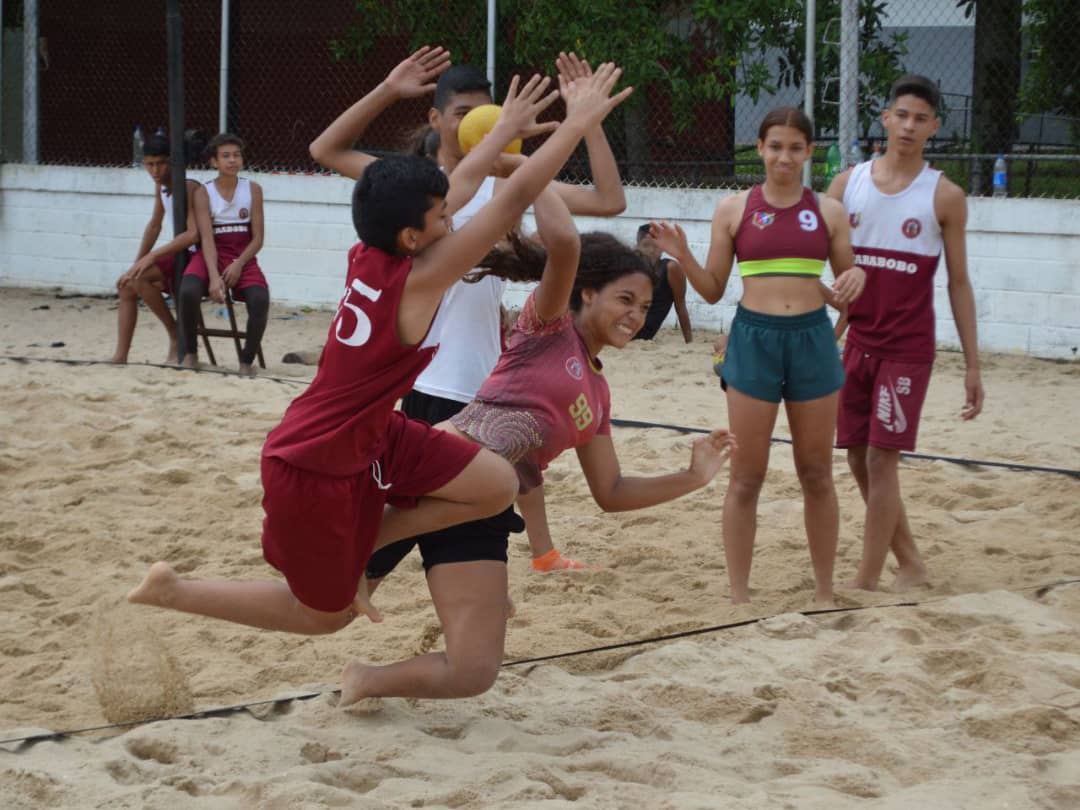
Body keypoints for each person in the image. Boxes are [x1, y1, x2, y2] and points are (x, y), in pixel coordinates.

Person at [128, 60, 635, 704]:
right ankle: (174, 590)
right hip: (317, 463)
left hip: (377, 434)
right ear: (413, 235)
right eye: (442, 217)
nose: (451, 220)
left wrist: (501, 132)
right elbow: (511, 198)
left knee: (496, 483)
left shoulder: (373, 250)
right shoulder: (418, 280)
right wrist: (575, 123)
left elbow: (464, 188)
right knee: (323, 615)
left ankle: (373, 544)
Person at [349, 174, 736, 704]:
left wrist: (692, 477)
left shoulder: (598, 394)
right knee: (321, 612)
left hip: (483, 510)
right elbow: (564, 243)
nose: (635, 316)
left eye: (645, 308)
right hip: (437, 475)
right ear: (587, 292)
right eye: (625, 299)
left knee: (474, 672)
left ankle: (365, 679)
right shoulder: (549, 326)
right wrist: (524, 168)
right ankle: (361, 550)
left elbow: (611, 492)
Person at [310, 50, 626, 572]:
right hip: (429, 379)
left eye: (491, 112)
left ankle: (540, 554)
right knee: (423, 514)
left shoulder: (508, 178)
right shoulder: (411, 191)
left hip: (487, 373)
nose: (483, 123)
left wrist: (588, 120)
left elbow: (609, 200)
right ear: (435, 120)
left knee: (507, 480)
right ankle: (352, 573)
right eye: (464, 114)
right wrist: (388, 88)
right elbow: (325, 149)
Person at [650, 106, 866, 605]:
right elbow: (711, 290)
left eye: (795, 148)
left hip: (811, 340)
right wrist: (682, 255)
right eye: (775, 146)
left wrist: (856, 279)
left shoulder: (828, 212)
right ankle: (739, 597)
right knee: (747, 475)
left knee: (817, 473)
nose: (784, 157)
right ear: (760, 148)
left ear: (809, 151)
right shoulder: (733, 208)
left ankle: (824, 592)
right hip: (754, 340)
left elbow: (848, 288)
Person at [827, 75, 983, 592]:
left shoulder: (945, 195)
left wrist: (973, 365)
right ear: (885, 118)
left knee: (881, 457)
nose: (909, 126)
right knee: (856, 455)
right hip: (858, 339)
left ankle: (867, 579)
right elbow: (816, 263)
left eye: (921, 119)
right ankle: (910, 561)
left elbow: (959, 282)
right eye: (902, 115)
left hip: (907, 347)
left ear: (934, 127)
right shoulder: (847, 185)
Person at [178, 133, 270, 375]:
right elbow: (207, 239)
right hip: (212, 254)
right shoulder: (203, 192)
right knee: (188, 291)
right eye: (226, 156)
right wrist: (213, 276)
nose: (232, 160)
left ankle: (246, 362)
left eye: (237, 155)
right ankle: (190, 353)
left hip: (242, 254)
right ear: (214, 162)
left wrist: (239, 264)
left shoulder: (253, 189)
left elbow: (258, 238)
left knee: (260, 299)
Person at [109, 134, 201, 365]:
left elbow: (193, 234)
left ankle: (174, 332)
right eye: (149, 164)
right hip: (178, 252)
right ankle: (121, 355)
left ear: (171, 161)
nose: (155, 170)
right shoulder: (161, 187)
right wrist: (136, 264)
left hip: (195, 254)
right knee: (126, 286)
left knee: (137, 279)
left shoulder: (188, 187)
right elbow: (154, 225)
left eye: (160, 163)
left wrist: (150, 258)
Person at [632, 223, 693, 343]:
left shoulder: (671, 268)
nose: (651, 251)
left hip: (643, 333)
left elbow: (680, 306)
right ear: (638, 246)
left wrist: (689, 341)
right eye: (646, 245)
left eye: (656, 246)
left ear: (663, 248)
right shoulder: (632, 266)